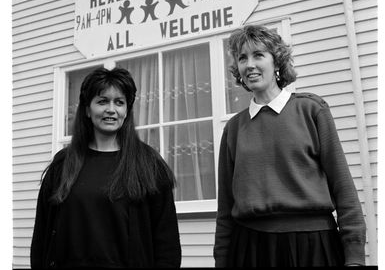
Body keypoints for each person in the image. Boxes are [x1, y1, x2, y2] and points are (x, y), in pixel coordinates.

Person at [214, 25, 366, 267]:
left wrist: (355, 256)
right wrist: (221, 260)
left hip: (313, 246)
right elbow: (225, 208)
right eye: (243, 58)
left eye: (258, 55)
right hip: (250, 250)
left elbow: (343, 188)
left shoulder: (312, 110)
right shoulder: (233, 129)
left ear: (277, 63)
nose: (249, 64)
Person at [30, 67, 181, 268]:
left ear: (127, 111)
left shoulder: (148, 164)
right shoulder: (62, 165)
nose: (111, 109)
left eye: (119, 102)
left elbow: (167, 245)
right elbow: (41, 237)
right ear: (87, 109)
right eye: (102, 101)